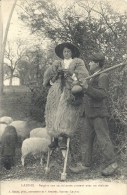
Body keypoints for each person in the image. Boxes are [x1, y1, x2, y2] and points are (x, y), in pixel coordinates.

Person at [70, 52, 118, 176]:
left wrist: (86, 87)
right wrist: (79, 89)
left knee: (103, 140)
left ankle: (112, 164)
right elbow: (86, 93)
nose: (89, 63)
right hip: (88, 113)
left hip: (98, 113)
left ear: (97, 63)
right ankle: (86, 164)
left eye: (91, 61)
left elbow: (102, 94)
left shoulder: (103, 76)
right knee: (85, 139)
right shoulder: (92, 76)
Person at [43, 42, 89, 170]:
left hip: (70, 91)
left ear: (72, 53)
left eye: (68, 51)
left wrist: (70, 74)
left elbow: (83, 79)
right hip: (57, 91)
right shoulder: (57, 64)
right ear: (62, 53)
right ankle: (56, 140)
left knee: (65, 115)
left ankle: (63, 139)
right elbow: (50, 81)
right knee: (54, 113)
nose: (66, 53)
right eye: (64, 52)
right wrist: (57, 74)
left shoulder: (78, 62)